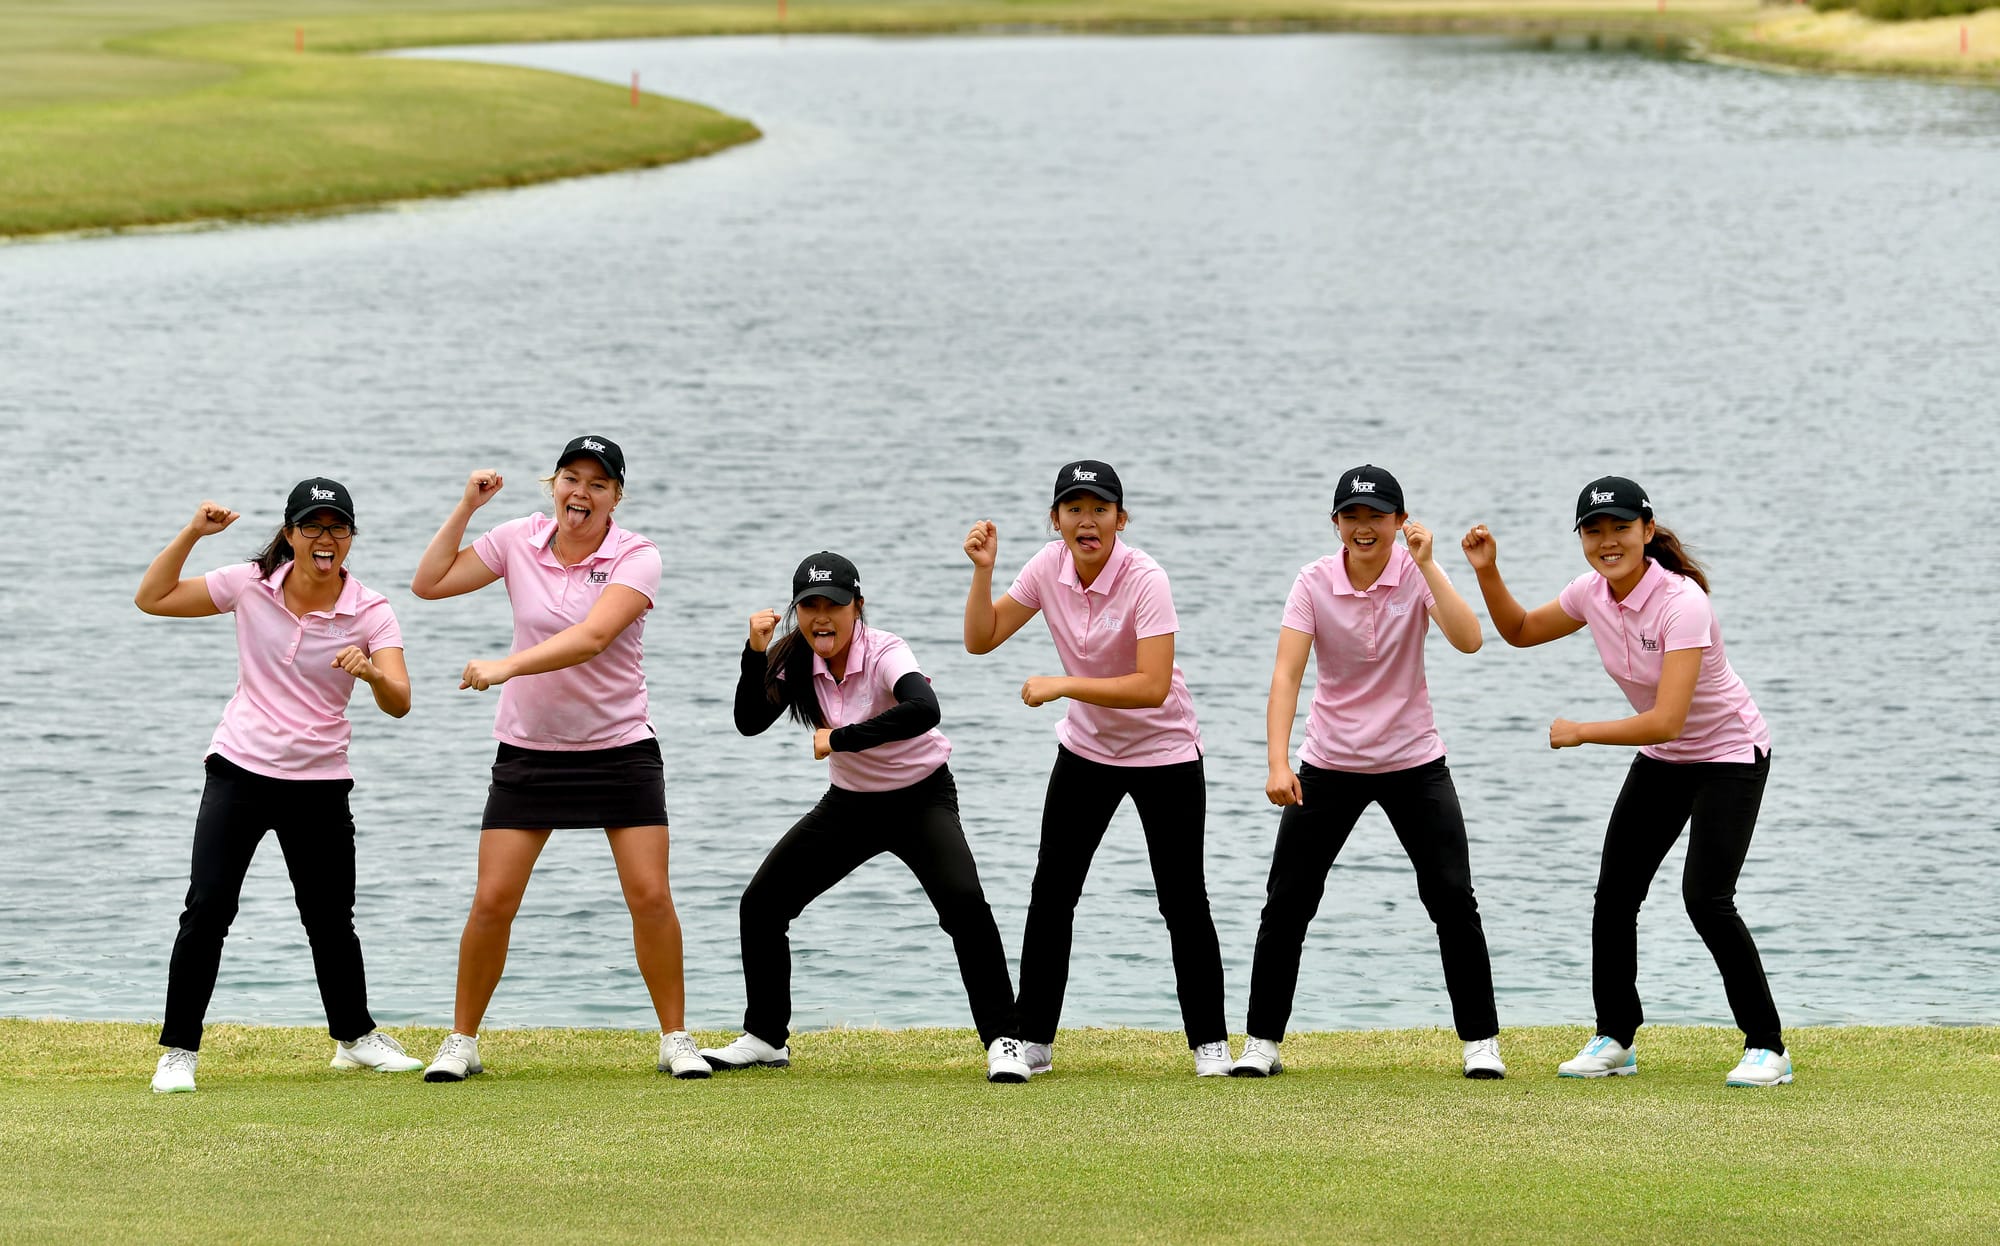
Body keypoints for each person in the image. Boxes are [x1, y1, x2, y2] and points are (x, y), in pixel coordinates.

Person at [1461, 476, 1789, 1087]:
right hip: (1666, 759)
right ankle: (1616, 1037)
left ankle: (1767, 1046)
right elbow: (1521, 630)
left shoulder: (1681, 601)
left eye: (1619, 528)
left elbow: (1668, 718)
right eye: (1594, 530)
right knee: (1615, 894)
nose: (1607, 541)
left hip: (1729, 755)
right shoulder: (1592, 593)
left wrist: (1582, 731)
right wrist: (1487, 571)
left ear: (1646, 529)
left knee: (1706, 898)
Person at [409, 436, 707, 1081]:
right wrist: (466, 506)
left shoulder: (637, 555)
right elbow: (428, 583)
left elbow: (595, 637)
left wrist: (505, 666)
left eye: (598, 484)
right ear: (554, 485)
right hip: (530, 749)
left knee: (651, 896)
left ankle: (676, 1039)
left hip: (619, 748)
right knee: (492, 900)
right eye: (571, 478)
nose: (582, 493)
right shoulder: (519, 538)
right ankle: (462, 1041)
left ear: (616, 497)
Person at [135, 479, 422, 1092]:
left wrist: (370, 671)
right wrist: (193, 533)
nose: (326, 538)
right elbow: (152, 598)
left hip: (319, 782)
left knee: (329, 917)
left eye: (337, 528)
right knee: (208, 908)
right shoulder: (249, 584)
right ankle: (178, 1051)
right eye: (312, 526)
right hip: (239, 769)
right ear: (290, 534)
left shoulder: (371, 610)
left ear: (349, 539)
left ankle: (354, 1038)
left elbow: (400, 701)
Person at [706, 552, 1031, 1083]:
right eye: (808, 606)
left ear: (857, 607)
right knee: (762, 904)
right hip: (849, 806)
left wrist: (842, 738)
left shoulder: (885, 651)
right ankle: (766, 1038)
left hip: (920, 799)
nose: (820, 617)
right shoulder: (795, 657)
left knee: (965, 905)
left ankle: (1003, 1040)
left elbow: (925, 709)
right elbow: (748, 721)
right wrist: (754, 652)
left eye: (833, 605)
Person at [1234, 466, 1504, 1080]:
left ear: (1399, 523)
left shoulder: (1416, 572)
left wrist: (1431, 564)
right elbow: (1286, 675)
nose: (1364, 528)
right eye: (1352, 517)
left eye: (1377, 517)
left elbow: (1470, 640)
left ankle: (1481, 1043)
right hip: (1330, 761)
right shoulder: (1312, 582)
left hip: (1414, 761)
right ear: (1336, 523)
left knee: (1452, 899)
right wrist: (1278, 761)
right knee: (1288, 903)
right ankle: (1261, 1044)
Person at [962, 460, 1228, 1078]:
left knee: (1181, 899)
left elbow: (1154, 686)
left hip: (1164, 752)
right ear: (1055, 520)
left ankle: (1209, 1043)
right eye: (1074, 509)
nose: (1087, 520)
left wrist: (1064, 685)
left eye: (1100, 509)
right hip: (1087, 751)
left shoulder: (1145, 577)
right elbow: (982, 638)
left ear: (1120, 519)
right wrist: (983, 574)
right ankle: (1032, 1039)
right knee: (1052, 891)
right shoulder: (1046, 567)